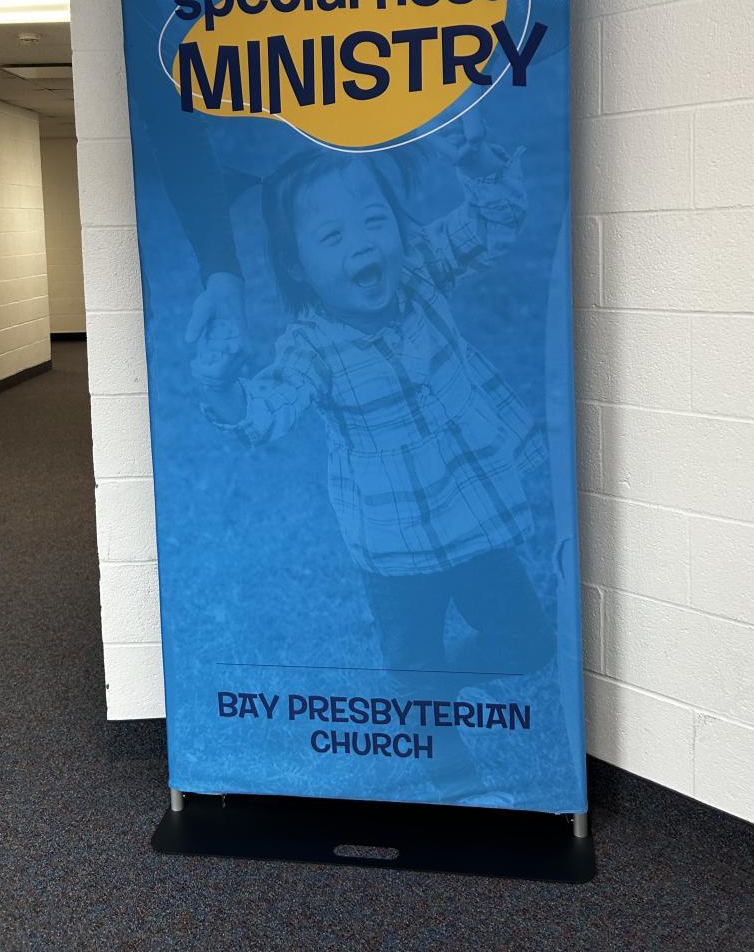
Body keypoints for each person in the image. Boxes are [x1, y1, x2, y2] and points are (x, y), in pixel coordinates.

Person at [193, 110, 554, 801]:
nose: (362, 242)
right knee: (412, 665)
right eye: (332, 236)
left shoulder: (420, 269)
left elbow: (496, 220)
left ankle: (432, 689)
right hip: (392, 547)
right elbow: (265, 413)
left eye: (373, 220)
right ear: (298, 266)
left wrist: (476, 162)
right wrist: (223, 389)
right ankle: (457, 783)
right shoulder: (311, 347)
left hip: (472, 520)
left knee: (528, 644)